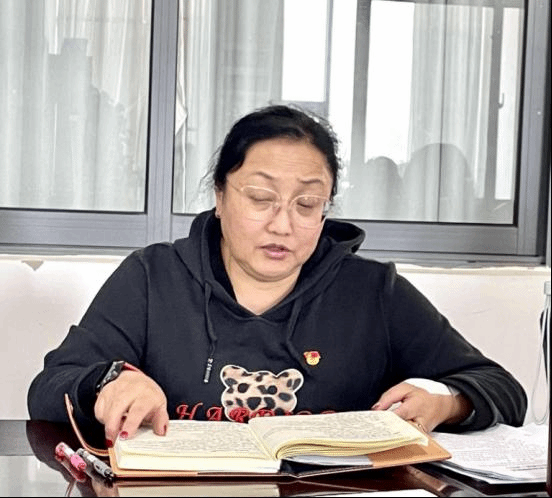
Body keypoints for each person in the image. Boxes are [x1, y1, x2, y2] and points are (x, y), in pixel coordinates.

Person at [28, 105, 527, 449]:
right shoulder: (153, 277)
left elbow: (501, 388)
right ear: (220, 196)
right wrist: (109, 384)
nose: (283, 224)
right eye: (261, 198)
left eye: (307, 204)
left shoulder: (373, 291)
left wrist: (447, 402)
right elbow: (50, 387)